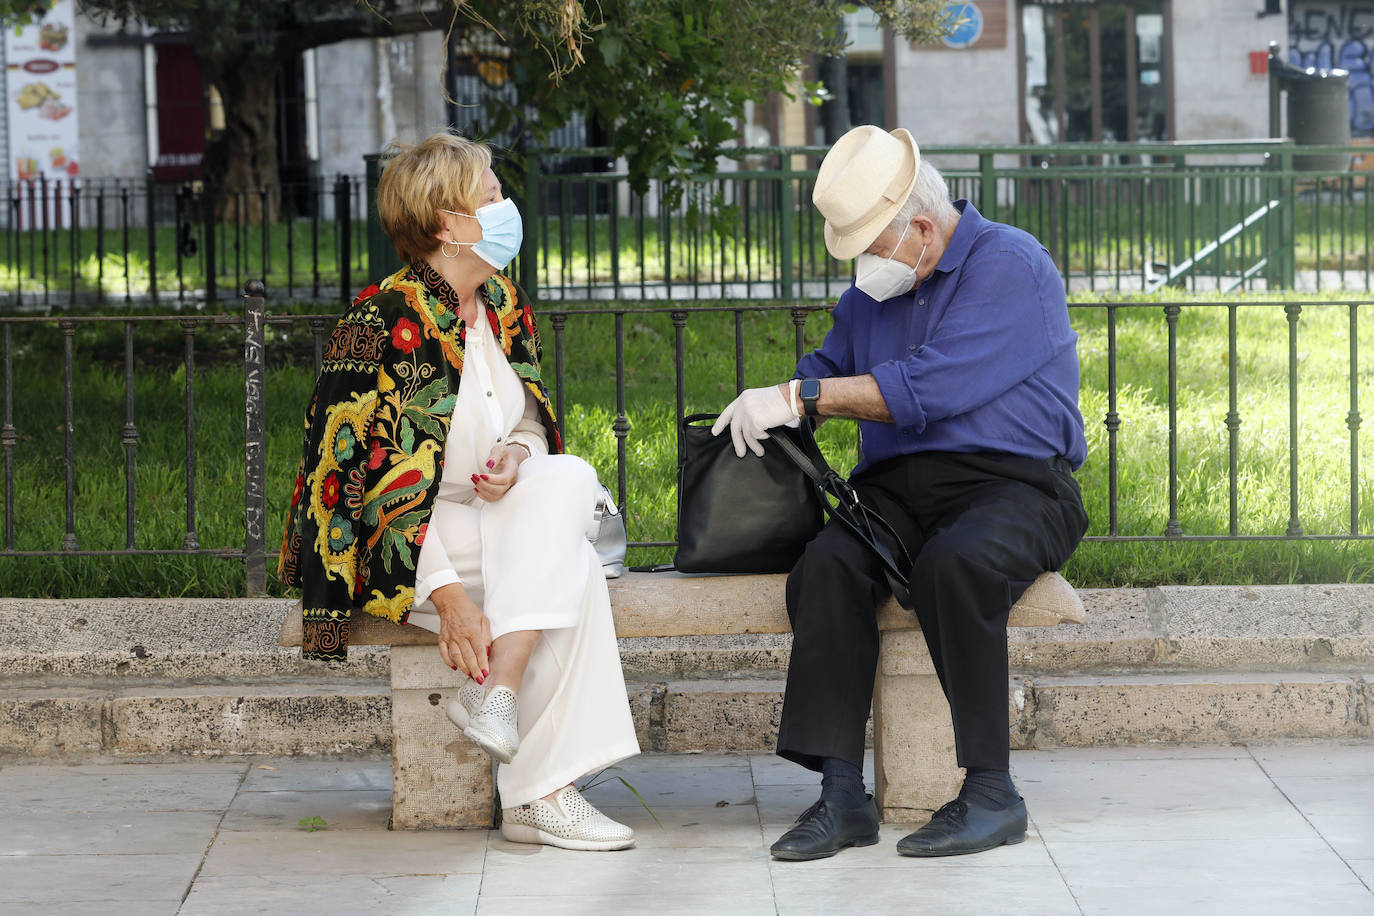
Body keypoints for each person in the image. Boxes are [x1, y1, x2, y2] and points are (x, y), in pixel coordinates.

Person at [714, 125, 1089, 860]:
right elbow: (824, 369)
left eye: (870, 246)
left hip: (1016, 484)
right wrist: (781, 402)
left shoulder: (1010, 262)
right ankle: (841, 795)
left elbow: (931, 387)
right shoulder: (876, 289)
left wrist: (803, 395)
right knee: (826, 567)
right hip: (898, 490)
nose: (863, 265)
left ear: (920, 228)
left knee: (958, 565)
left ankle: (991, 791)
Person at [279, 130, 640, 851]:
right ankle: (543, 795)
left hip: (501, 522)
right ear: (449, 224)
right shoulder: (378, 319)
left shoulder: (503, 301)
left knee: (567, 474)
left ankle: (493, 693)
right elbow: (351, 473)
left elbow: (534, 421)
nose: (508, 205)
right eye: (493, 195)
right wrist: (447, 598)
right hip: (407, 545)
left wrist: (515, 451)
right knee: (575, 578)